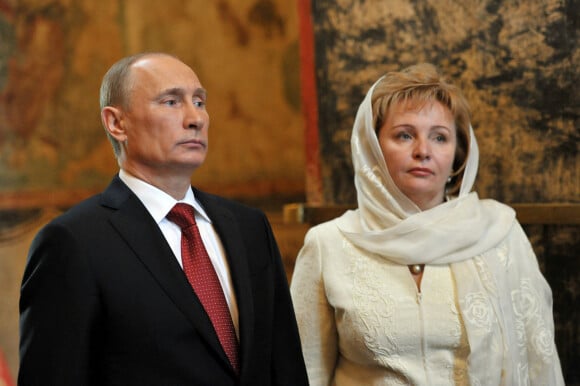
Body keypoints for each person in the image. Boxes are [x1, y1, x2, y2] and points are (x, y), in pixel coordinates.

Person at [18, 52, 308, 386]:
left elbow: (285, 368)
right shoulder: (73, 242)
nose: (194, 118)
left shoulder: (249, 227)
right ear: (116, 123)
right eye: (171, 102)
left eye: (199, 102)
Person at [290, 63, 564, 385]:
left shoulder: (499, 234)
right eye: (404, 135)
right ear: (373, 149)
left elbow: (539, 362)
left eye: (439, 137)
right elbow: (305, 372)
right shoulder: (329, 244)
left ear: (456, 155)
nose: (423, 151)